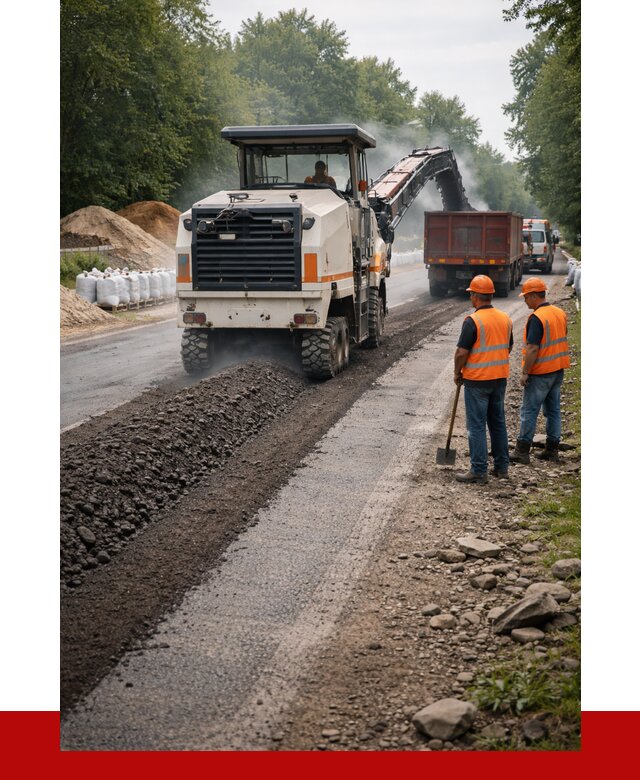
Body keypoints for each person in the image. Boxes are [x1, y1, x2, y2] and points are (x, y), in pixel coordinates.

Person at [453, 275, 513, 483]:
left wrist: (457, 372)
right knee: (497, 424)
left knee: (476, 426)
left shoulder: (473, 321)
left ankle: (479, 470)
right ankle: (502, 467)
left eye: (471, 294)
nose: (470, 298)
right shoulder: (505, 318)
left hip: (477, 381)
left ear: (476, 296)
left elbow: (461, 352)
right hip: (499, 379)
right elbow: (509, 346)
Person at [510, 277, 570, 464]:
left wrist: (525, 372)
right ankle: (552, 451)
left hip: (541, 372)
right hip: (558, 369)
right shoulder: (559, 312)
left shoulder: (537, 318)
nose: (525, 300)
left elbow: (533, 348)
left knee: (529, 411)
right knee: (553, 411)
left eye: (526, 297)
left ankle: (522, 451)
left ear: (535, 296)